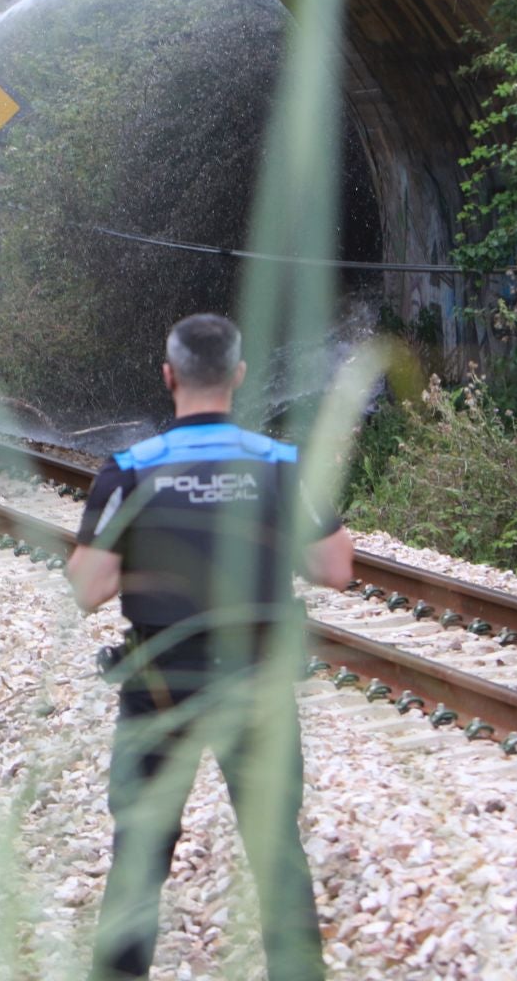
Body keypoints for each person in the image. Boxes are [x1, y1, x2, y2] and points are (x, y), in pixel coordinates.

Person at [67, 313, 354, 981]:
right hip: (254, 682)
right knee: (275, 848)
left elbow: (88, 588)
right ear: (239, 377)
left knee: (139, 852)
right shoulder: (279, 464)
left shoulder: (130, 469)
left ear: (168, 378)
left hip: (158, 683)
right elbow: (336, 568)